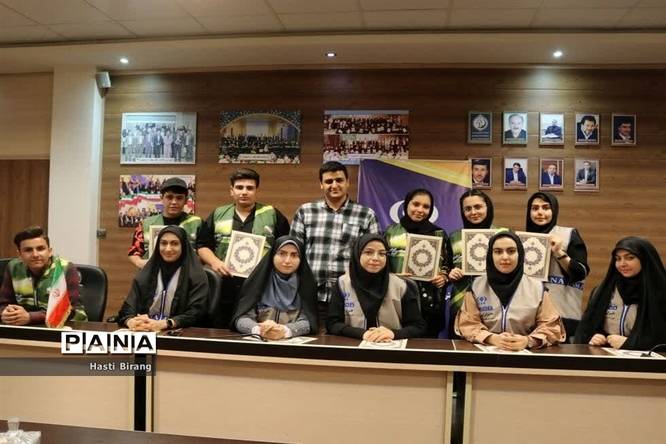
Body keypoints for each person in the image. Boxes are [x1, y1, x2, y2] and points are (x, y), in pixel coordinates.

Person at [290, 161, 380, 328]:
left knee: (347, 340)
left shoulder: (366, 215)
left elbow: (375, 256)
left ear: (347, 182)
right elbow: (293, 254)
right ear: (321, 184)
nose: (334, 185)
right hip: (311, 295)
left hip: (350, 296)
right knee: (312, 339)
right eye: (328, 181)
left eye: (339, 180)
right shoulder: (305, 211)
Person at [197, 168, 290, 328]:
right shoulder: (218, 214)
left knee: (254, 330)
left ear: (256, 191)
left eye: (249, 188)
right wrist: (215, 262)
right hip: (224, 286)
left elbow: (285, 248)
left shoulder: (273, 214)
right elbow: (202, 245)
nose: (244, 192)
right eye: (239, 187)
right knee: (221, 330)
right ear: (231, 191)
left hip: (260, 287)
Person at [455, 231, 565, 350]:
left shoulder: (537, 288)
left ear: (520, 254)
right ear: (490, 255)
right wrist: (491, 338)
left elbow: (551, 327)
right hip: (484, 356)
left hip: (525, 356)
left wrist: (528, 341)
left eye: (511, 251)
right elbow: (468, 324)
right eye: (498, 252)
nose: (505, 257)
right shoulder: (476, 286)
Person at [327, 234, 426, 342]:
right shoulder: (343, 284)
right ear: (357, 254)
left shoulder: (400, 285)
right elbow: (332, 324)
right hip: (353, 346)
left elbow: (418, 327)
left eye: (382, 254)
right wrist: (362, 334)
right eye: (368, 252)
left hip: (391, 346)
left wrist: (393, 333)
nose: (375, 258)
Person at [575, 237, 666, 350]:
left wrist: (631, 343)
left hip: (649, 359)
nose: (622, 264)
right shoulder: (602, 291)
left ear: (645, 259)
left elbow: (661, 339)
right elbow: (584, 331)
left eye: (630, 258)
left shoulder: (660, 292)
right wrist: (594, 337)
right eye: (618, 259)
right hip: (607, 356)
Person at [384, 189, 453, 337]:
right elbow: (382, 266)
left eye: (426, 206)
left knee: (427, 347)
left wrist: (443, 277)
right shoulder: (391, 232)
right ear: (406, 205)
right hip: (397, 302)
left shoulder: (439, 234)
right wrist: (395, 276)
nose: (420, 210)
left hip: (430, 305)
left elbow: (448, 265)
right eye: (415, 204)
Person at [118, 226, 208, 331]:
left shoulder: (196, 275)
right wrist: (131, 321)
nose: (168, 249)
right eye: (163, 243)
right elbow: (127, 308)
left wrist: (167, 323)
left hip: (180, 333)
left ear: (183, 246)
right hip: (145, 330)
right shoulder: (147, 273)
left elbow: (197, 313)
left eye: (174, 243)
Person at [526, 192, 589, 339]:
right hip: (531, 315)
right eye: (535, 208)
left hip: (563, 315)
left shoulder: (568, 235)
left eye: (546, 208)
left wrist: (559, 252)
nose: (540, 212)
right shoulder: (524, 240)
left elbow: (581, 272)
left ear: (554, 210)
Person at [232, 236, 318, 340]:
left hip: (291, 344)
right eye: (282, 254)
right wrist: (258, 329)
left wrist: (285, 330)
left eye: (294, 255)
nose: (287, 260)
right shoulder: (258, 281)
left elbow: (308, 322)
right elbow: (241, 318)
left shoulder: (306, 285)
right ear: (273, 255)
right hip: (258, 341)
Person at [447, 190, 507, 338]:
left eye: (478, 207)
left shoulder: (503, 234)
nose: (473, 212)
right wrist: (450, 274)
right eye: (467, 209)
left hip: (495, 306)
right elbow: (445, 268)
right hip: (461, 305)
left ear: (488, 207)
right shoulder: (455, 237)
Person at [0, 227, 87, 326]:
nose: (35, 254)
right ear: (20, 254)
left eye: (40, 249)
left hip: (68, 326)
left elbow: (70, 310)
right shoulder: (13, 268)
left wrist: (30, 317)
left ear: (49, 251)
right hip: (26, 325)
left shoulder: (65, 269)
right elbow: (4, 303)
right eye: (28, 250)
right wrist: (6, 313)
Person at [128, 177, 202, 270]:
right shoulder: (145, 224)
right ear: (161, 198)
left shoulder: (197, 223)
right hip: (152, 274)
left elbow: (204, 253)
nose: (174, 202)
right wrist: (141, 263)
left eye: (179, 198)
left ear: (186, 200)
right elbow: (134, 252)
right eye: (169, 197)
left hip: (186, 275)